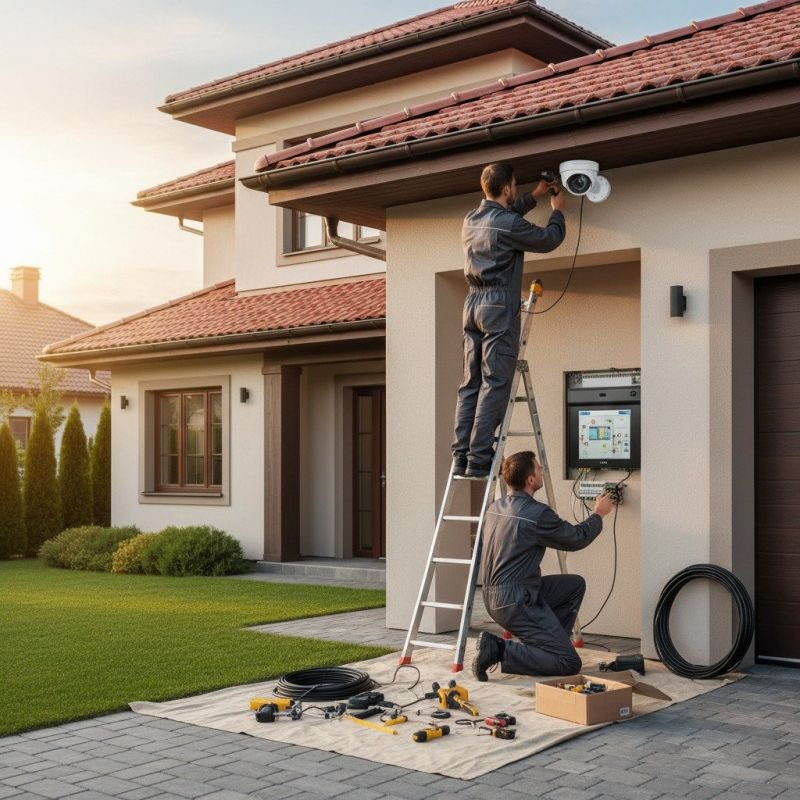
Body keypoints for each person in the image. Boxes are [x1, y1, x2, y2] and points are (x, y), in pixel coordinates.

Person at [452, 163, 566, 479]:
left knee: (470, 382)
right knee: (495, 382)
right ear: (506, 188)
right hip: (498, 306)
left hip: (472, 304)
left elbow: (506, 218)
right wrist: (557, 210)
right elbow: (547, 239)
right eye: (514, 186)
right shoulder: (508, 223)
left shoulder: (471, 219)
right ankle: (479, 459)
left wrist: (534, 196)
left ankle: (462, 456)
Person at [472, 450, 614, 680]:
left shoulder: (495, 507)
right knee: (568, 662)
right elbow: (575, 538)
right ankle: (499, 650)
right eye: (538, 469)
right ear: (530, 480)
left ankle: (546, 645)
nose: (542, 471)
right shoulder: (535, 514)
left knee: (573, 585)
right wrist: (598, 514)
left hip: (495, 597)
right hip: (516, 600)